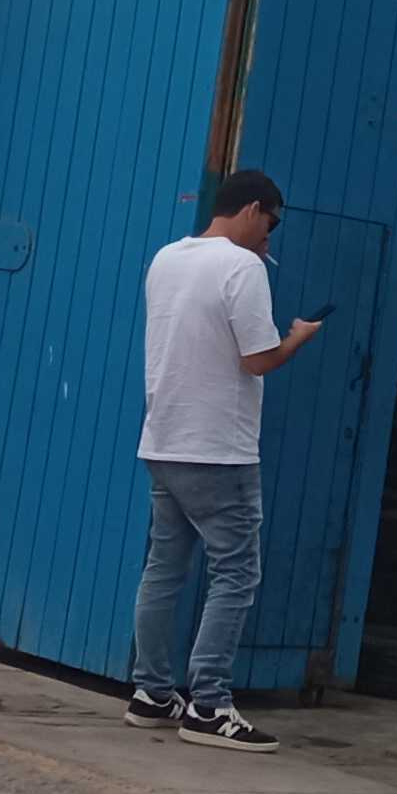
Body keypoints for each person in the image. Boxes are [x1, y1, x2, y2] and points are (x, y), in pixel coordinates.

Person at [129, 167, 319, 750]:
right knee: (236, 572)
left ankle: (152, 692)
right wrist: (298, 336)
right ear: (253, 209)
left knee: (164, 569)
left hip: (164, 437)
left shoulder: (167, 258)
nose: (270, 237)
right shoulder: (243, 267)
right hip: (218, 449)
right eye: (271, 224)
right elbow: (258, 359)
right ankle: (209, 704)